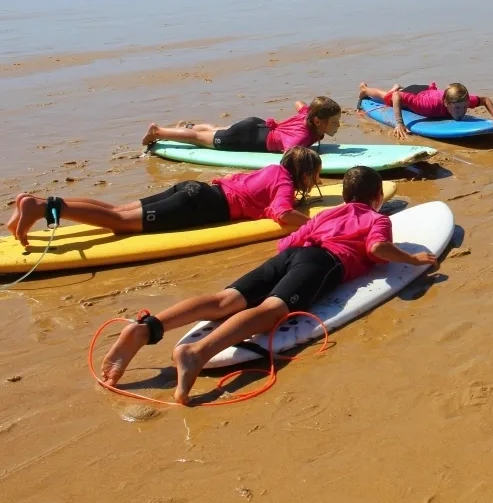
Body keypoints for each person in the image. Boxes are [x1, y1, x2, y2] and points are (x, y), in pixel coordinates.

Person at [97, 165, 436, 404]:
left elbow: (285, 244)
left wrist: (292, 265)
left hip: (292, 255)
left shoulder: (324, 215)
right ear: (378, 196)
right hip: (325, 262)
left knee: (224, 300)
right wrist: (412, 258)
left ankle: (148, 327)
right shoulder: (375, 218)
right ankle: (197, 353)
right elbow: (377, 248)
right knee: (273, 309)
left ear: (345, 195)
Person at [6, 147, 324, 247]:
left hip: (195, 190)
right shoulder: (284, 183)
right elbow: (282, 213)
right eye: (315, 176)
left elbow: (230, 179)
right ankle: (43, 208)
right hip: (201, 205)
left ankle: (32, 201)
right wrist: (313, 224)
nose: (316, 182)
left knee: (117, 210)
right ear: (305, 172)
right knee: (119, 222)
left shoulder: (272, 169)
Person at [141, 97, 341, 152]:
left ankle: (188, 126)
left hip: (257, 126)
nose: (338, 125)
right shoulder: (300, 137)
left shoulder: (307, 115)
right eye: (334, 122)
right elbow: (290, 154)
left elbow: (299, 104)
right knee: (199, 139)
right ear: (317, 121)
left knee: (216, 130)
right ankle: (158, 132)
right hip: (247, 138)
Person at [358, 81, 493, 140]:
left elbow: (485, 100)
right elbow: (397, 97)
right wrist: (399, 123)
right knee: (387, 97)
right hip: (416, 93)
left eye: (465, 107)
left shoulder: (462, 100)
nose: (463, 111)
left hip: (428, 91)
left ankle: (397, 87)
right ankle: (365, 89)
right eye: (458, 108)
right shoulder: (426, 105)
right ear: (446, 103)